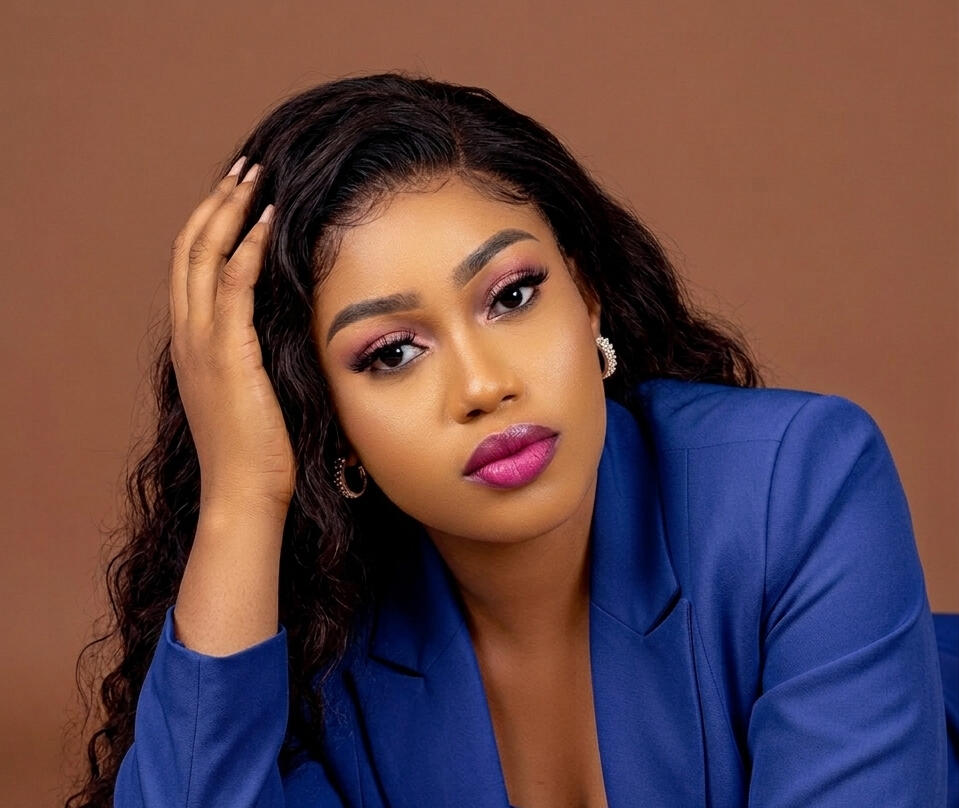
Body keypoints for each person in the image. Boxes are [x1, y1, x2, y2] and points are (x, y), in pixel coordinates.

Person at [64, 72, 950, 808]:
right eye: (392, 353)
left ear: (588, 294)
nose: (484, 386)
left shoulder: (795, 482)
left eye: (512, 296)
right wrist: (242, 495)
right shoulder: (322, 644)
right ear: (324, 419)